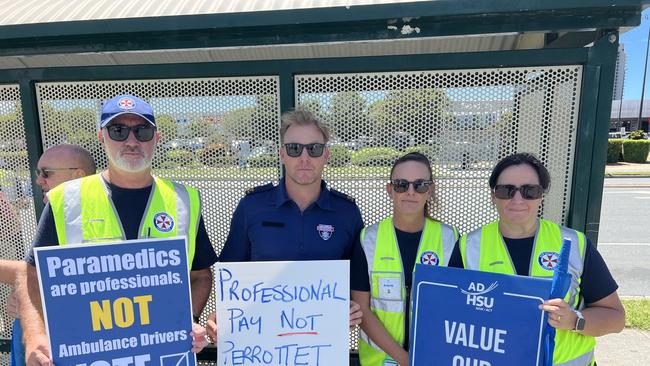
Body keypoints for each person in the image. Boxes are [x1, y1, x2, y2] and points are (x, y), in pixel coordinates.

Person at [20, 95, 217, 365]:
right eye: (118, 131)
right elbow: (32, 274)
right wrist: (34, 334)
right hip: (88, 353)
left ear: (156, 138)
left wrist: (188, 321)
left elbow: (200, 275)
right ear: (103, 137)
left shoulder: (185, 200)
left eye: (142, 131)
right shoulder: (66, 199)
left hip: (161, 355)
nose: (131, 141)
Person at [448, 152, 625, 365]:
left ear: (541, 196)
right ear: (493, 196)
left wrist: (574, 320)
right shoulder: (468, 246)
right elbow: (452, 320)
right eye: (507, 191)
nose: (517, 199)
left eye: (529, 191)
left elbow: (616, 318)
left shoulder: (574, 243)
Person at [207, 109, 364, 339]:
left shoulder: (347, 212)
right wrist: (220, 315)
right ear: (282, 154)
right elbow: (231, 276)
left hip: (322, 344)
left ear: (326, 155)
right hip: (261, 347)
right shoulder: (252, 207)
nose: (304, 157)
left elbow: (356, 282)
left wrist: (352, 310)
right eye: (294, 149)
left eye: (314, 149)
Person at [350, 152, 459, 366]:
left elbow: (454, 307)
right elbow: (362, 309)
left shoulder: (450, 238)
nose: (410, 192)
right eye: (401, 185)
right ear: (390, 190)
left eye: (419, 185)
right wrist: (405, 359)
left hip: (433, 358)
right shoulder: (367, 239)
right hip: (379, 361)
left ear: (430, 189)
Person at [8, 144, 96, 365]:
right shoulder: (57, 215)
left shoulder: (99, 215)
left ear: (78, 176)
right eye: (38, 173)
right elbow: (35, 273)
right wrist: (28, 302)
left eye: (46, 173)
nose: (39, 181)